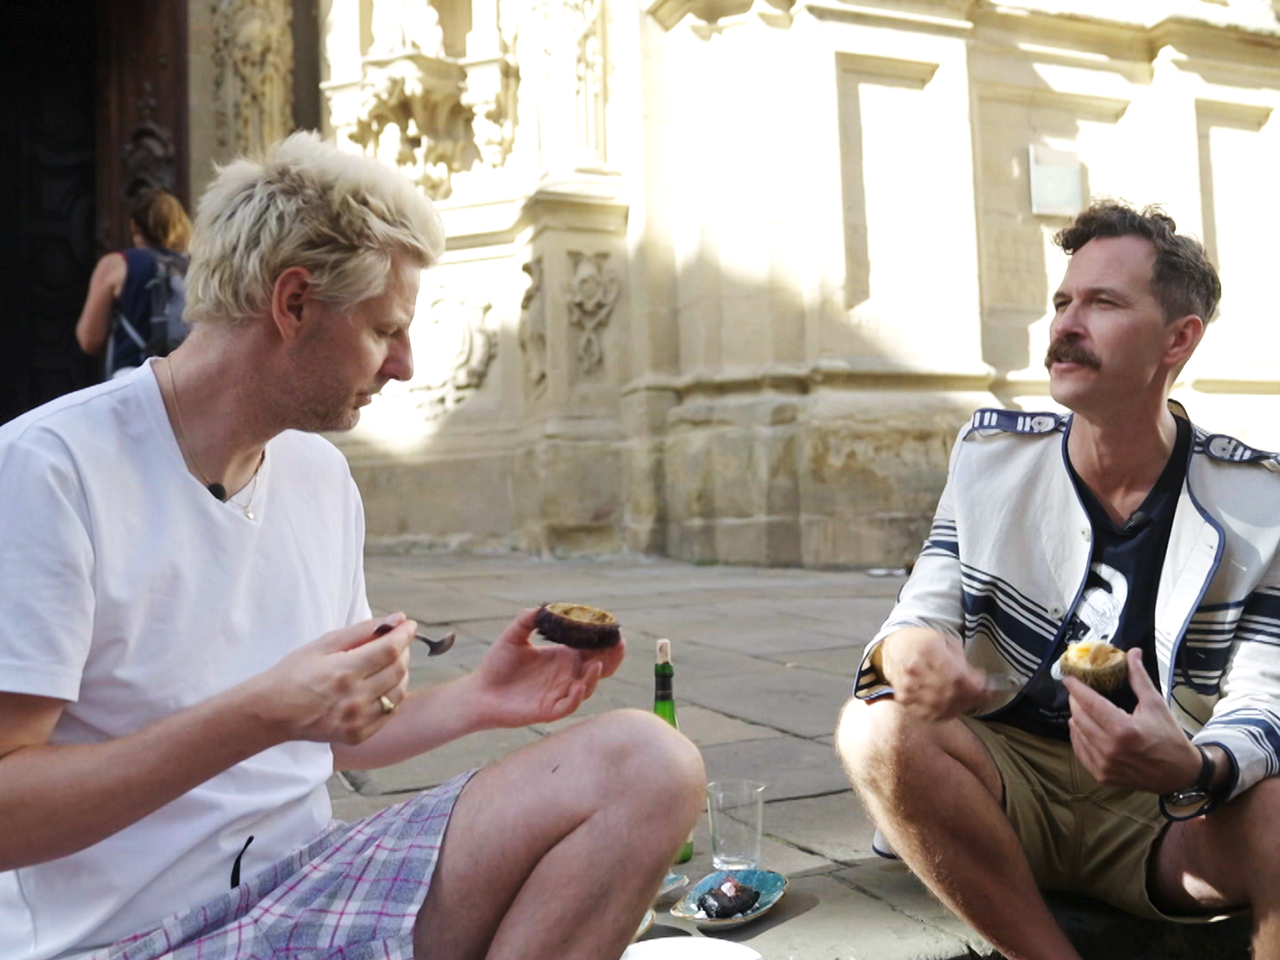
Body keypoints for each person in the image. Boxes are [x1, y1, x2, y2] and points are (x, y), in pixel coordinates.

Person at [0, 132, 705, 960]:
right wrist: (260, 713)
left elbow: (324, 737)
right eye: (384, 330)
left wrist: (479, 697)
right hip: (128, 938)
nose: (405, 365)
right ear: (294, 303)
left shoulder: (319, 475)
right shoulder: (49, 471)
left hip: (306, 887)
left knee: (649, 764)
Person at [836, 201, 1280, 960]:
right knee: (873, 725)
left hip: (1167, 813)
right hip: (1008, 790)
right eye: (1063, 301)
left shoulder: (1258, 500)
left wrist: (1192, 765)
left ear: (1179, 339)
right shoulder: (991, 460)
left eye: (1103, 303)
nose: (1067, 325)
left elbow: (1264, 698)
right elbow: (915, 619)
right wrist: (913, 655)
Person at [75, 188, 193, 376]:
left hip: (132, 376)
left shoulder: (116, 264)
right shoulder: (193, 266)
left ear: (134, 227)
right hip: (182, 378)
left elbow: (89, 339)